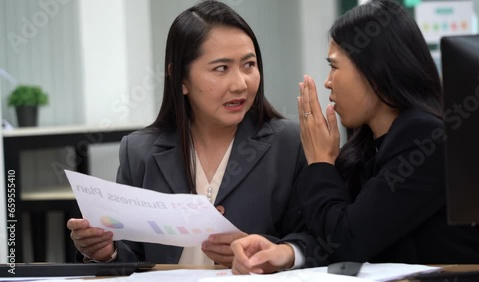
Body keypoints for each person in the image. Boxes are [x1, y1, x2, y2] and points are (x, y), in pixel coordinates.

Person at [231, 0, 479, 274]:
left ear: (374, 69)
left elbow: (348, 240)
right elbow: (332, 227)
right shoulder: (369, 146)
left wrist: (321, 164)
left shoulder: (424, 136)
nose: (327, 81)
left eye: (334, 67)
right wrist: (286, 252)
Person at [66, 0, 309, 267]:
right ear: (180, 78)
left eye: (249, 65)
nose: (240, 84)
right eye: (221, 68)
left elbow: (316, 240)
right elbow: (130, 256)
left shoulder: (288, 143)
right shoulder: (140, 152)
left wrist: (268, 253)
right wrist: (106, 253)